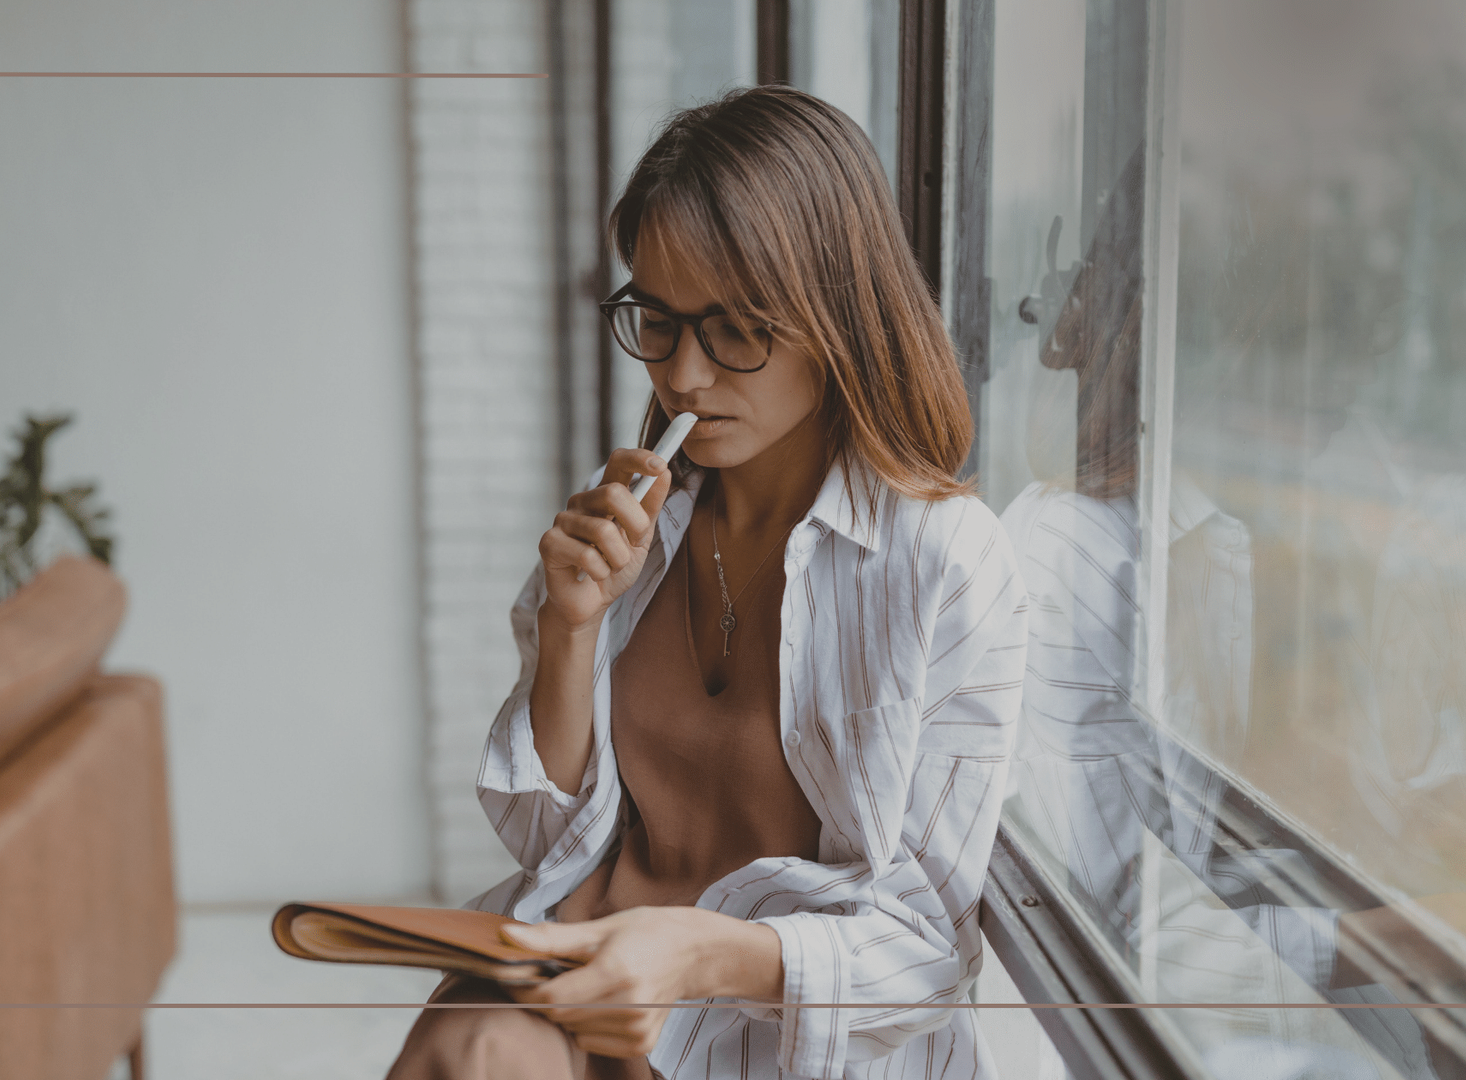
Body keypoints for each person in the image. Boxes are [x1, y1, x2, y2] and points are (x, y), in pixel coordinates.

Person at [385, 86, 1029, 1079]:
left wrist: (691, 953)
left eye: (733, 329)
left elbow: (928, 952)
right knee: (475, 1045)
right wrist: (568, 630)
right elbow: (543, 836)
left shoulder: (943, 561)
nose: (683, 376)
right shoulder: (633, 532)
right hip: (573, 993)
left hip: (763, 1039)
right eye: (655, 318)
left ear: (836, 315)